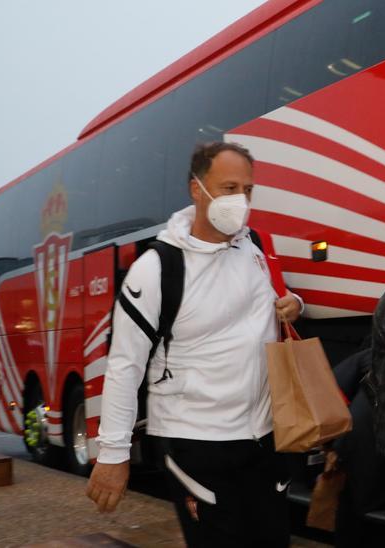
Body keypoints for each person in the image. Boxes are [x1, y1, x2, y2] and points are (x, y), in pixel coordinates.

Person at [85, 142, 304, 547]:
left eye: (248, 190)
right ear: (196, 189)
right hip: (198, 445)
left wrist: (294, 303)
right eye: (228, 187)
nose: (240, 200)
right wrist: (113, 454)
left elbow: (274, 299)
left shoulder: (253, 246)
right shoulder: (157, 268)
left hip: (266, 438)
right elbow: (124, 365)